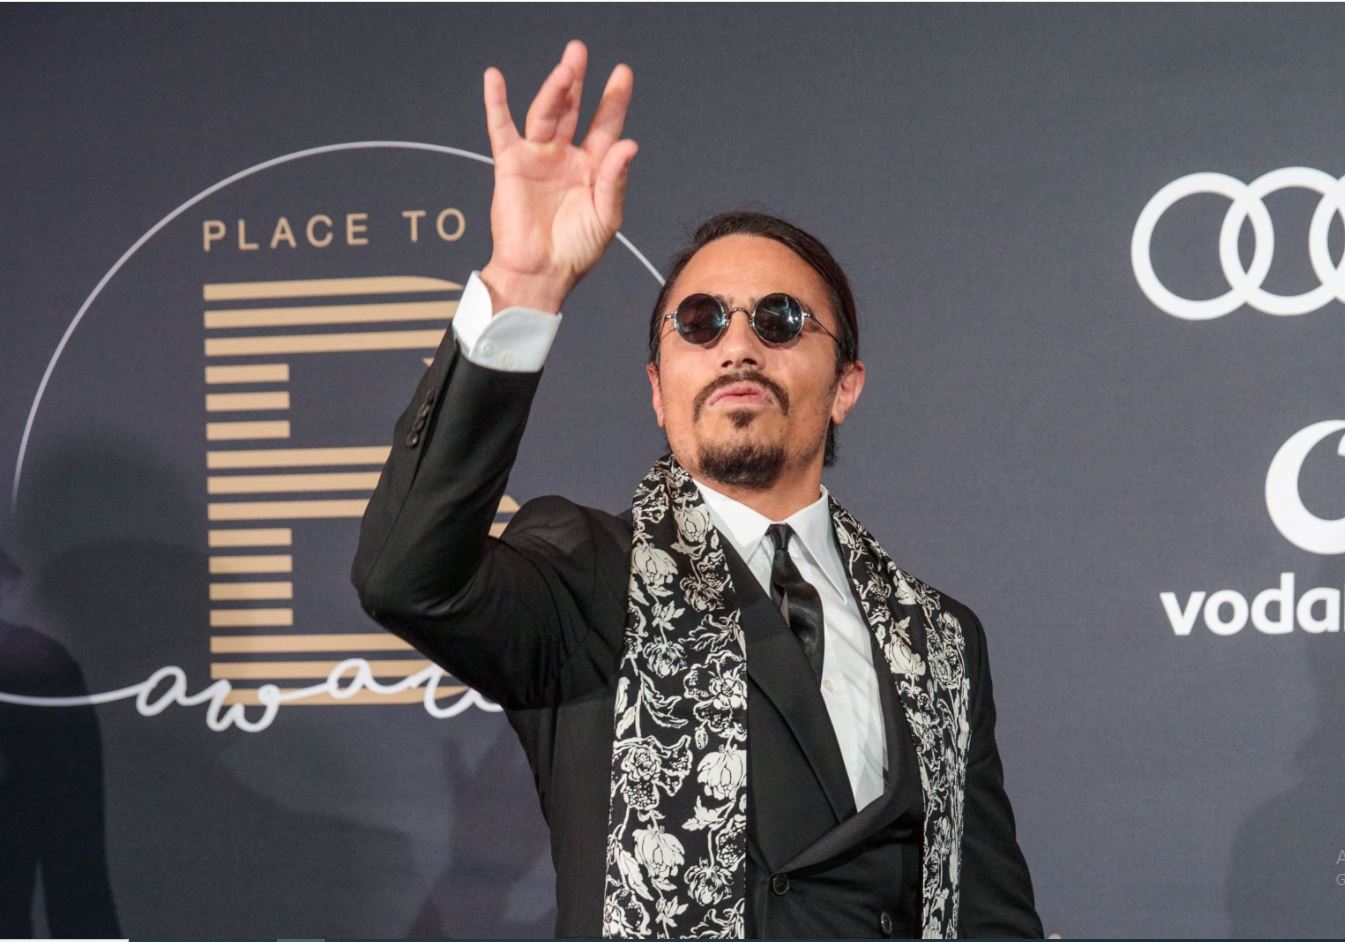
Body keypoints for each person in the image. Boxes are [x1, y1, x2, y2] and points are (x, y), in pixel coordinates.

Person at [353, 40, 1041, 939]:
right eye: (700, 321)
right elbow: (405, 578)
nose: (737, 346)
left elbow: (988, 913)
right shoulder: (586, 576)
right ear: (657, 386)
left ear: (845, 385)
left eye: (780, 320)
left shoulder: (941, 639)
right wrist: (523, 284)